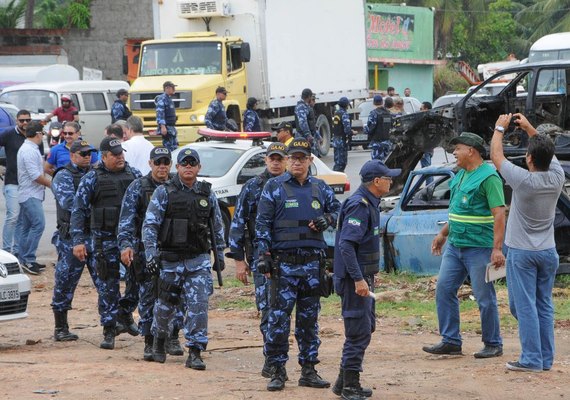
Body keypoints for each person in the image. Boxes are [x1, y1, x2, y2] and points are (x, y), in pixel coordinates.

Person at [255, 138, 341, 392]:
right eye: (292, 158)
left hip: (312, 266)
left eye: (301, 158)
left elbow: (338, 213)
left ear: (310, 161)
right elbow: (262, 225)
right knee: (278, 320)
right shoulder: (274, 187)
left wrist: (327, 219)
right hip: (283, 267)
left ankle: (309, 369)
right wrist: (264, 256)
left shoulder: (320, 188)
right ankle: (278, 370)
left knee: (308, 321)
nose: (296, 162)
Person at [491, 113, 564, 373]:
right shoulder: (556, 177)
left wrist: (501, 126)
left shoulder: (523, 180)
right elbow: (547, 151)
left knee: (525, 306)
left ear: (529, 159)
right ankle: (545, 359)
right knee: (543, 304)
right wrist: (530, 128)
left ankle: (531, 358)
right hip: (547, 252)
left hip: (523, 253)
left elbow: (496, 157)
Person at [423, 132, 506, 359]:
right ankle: (451, 341)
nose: (454, 153)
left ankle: (493, 343)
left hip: (479, 248)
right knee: (444, 289)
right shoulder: (459, 175)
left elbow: (499, 214)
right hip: (455, 245)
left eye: (457, 148)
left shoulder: (489, 177)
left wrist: (497, 249)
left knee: (484, 296)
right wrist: (442, 234)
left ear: (471, 150)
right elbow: (458, 211)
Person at [142, 148, 225, 369]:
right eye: (184, 163)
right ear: (177, 167)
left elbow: (216, 226)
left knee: (198, 305)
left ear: (199, 167)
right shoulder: (164, 192)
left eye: (192, 163)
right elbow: (150, 224)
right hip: (170, 259)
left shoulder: (207, 194)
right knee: (164, 306)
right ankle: (159, 339)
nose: (188, 167)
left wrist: (220, 254)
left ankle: (195, 351)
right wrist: (150, 254)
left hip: (198, 260)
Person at [332, 160, 401, 399]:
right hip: (354, 281)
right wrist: (359, 279)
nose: (391, 181)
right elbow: (346, 246)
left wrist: (368, 276)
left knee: (366, 327)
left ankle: (343, 382)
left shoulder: (371, 202)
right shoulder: (359, 206)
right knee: (358, 332)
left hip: (362, 277)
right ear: (376, 182)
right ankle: (350, 386)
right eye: (388, 178)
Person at [71, 137, 142, 350]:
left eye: (122, 153)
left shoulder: (135, 176)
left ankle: (125, 312)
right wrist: (78, 241)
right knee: (108, 286)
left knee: (138, 280)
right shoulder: (92, 179)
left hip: (131, 240)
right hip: (105, 240)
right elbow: (79, 211)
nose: (120, 157)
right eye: (115, 155)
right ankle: (109, 328)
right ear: (104, 157)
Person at [227, 142, 288, 377]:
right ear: (265, 161)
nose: (275, 162)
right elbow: (238, 223)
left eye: (279, 158)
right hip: (261, 259)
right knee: (267, 308)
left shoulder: (294, 185)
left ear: (285, 161)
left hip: (290, 259)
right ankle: (270, 357)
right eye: (271, 158)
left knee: (285, 309)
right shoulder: (253, 187)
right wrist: (239, 260)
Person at [118, 147, 184, 361]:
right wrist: (126, 245)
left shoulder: (178, 185)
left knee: (175, 295)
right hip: (145, 250)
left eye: (166, 162)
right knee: (148, 296)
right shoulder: (138, 187)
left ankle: (172, 336)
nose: (162, 166)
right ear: (150, 164)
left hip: (173, 250)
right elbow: (126, 220)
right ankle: (149, 340)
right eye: (158, 162)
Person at [51, 139, 99, 341]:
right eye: (83, 154)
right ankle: (60, 327)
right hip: (71, 238)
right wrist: (96, 207)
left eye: (89, 153)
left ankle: (112, 324)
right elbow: (70, 203)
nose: (87, 157)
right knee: (65, 281)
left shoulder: (95, 175)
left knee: (104, 280)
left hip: (94, 236)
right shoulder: (63, 176)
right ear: (72, 156)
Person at [0, 109, 44, 254]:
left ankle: (19, 252)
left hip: (30, 187)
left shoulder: (37, 136)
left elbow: (40, 162)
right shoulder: (8, 134)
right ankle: (6, 251)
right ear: (16, 121)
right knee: (13, 217)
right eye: (21, 120)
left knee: (23, 221)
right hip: (12, 182)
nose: (25, 123)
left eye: (27, 120)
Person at [15, 121, 51, 274]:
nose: (42, 136)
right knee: (38, 225)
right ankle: (28, 259)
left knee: (27, 227)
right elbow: (35, 176)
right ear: (37, 134)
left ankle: (24, 259)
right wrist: (52, 185)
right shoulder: (28, 151)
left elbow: (41, 168)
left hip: (29, 193)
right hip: (30, 194)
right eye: (42, 133)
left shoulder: (31, 148)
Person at [364, 95, 392, 162]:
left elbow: (370, 129)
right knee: (385, 163)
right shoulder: (388, 113)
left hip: (377, 143)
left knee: (376, 164)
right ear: (382, 102)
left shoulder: (374, 113)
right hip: (387, 143)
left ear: (373, 103)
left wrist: (364, 129)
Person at [294, 88, 319, 156]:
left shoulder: (306, 106)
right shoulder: (301, 107)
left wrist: (318, 136)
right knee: (305, 156)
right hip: (303, 137)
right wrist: (308, 134)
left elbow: (311, 123)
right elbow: (302, 122)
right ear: (309, 97)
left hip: (308, 137)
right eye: (311, 97)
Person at [155, 81, 179, 151]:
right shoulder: (162, 98)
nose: (174, 89)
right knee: (168, 148)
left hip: (171, 128)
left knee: (174, 148)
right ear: (167, 88)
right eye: (173, 87)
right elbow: (160, 113)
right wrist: (163, 126)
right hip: (167, 128)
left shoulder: (169, 99)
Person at [332, 97, 352, 172]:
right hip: (341, 141)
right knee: (341, 163)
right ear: (346, 105)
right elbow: (347, 130)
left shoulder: (336, 113)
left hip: (336, 139)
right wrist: (352, 132)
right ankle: (337, 180)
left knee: (337, 161)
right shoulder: (344, 114)